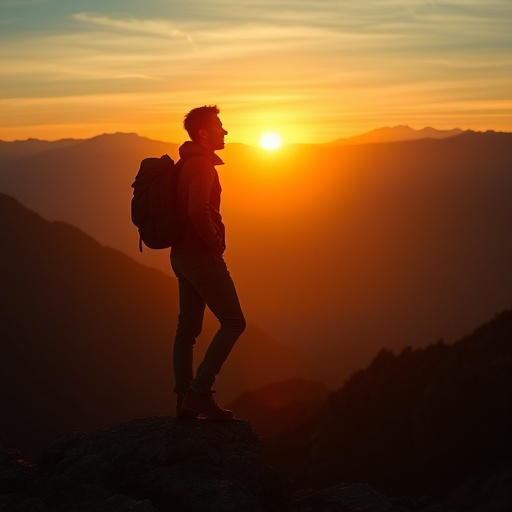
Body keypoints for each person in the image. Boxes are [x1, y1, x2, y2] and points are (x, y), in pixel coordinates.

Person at [171, 105, 246, 420]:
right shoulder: (202, 165)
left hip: (181, 256)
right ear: (203, 133)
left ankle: (184, 401)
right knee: (233, 323)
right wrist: (215, 244)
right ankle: (199, 393)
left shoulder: (185, 162)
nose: (225, 131)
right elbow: (197, 209)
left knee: (187, 331)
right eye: (219, 126)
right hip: (202, 258)